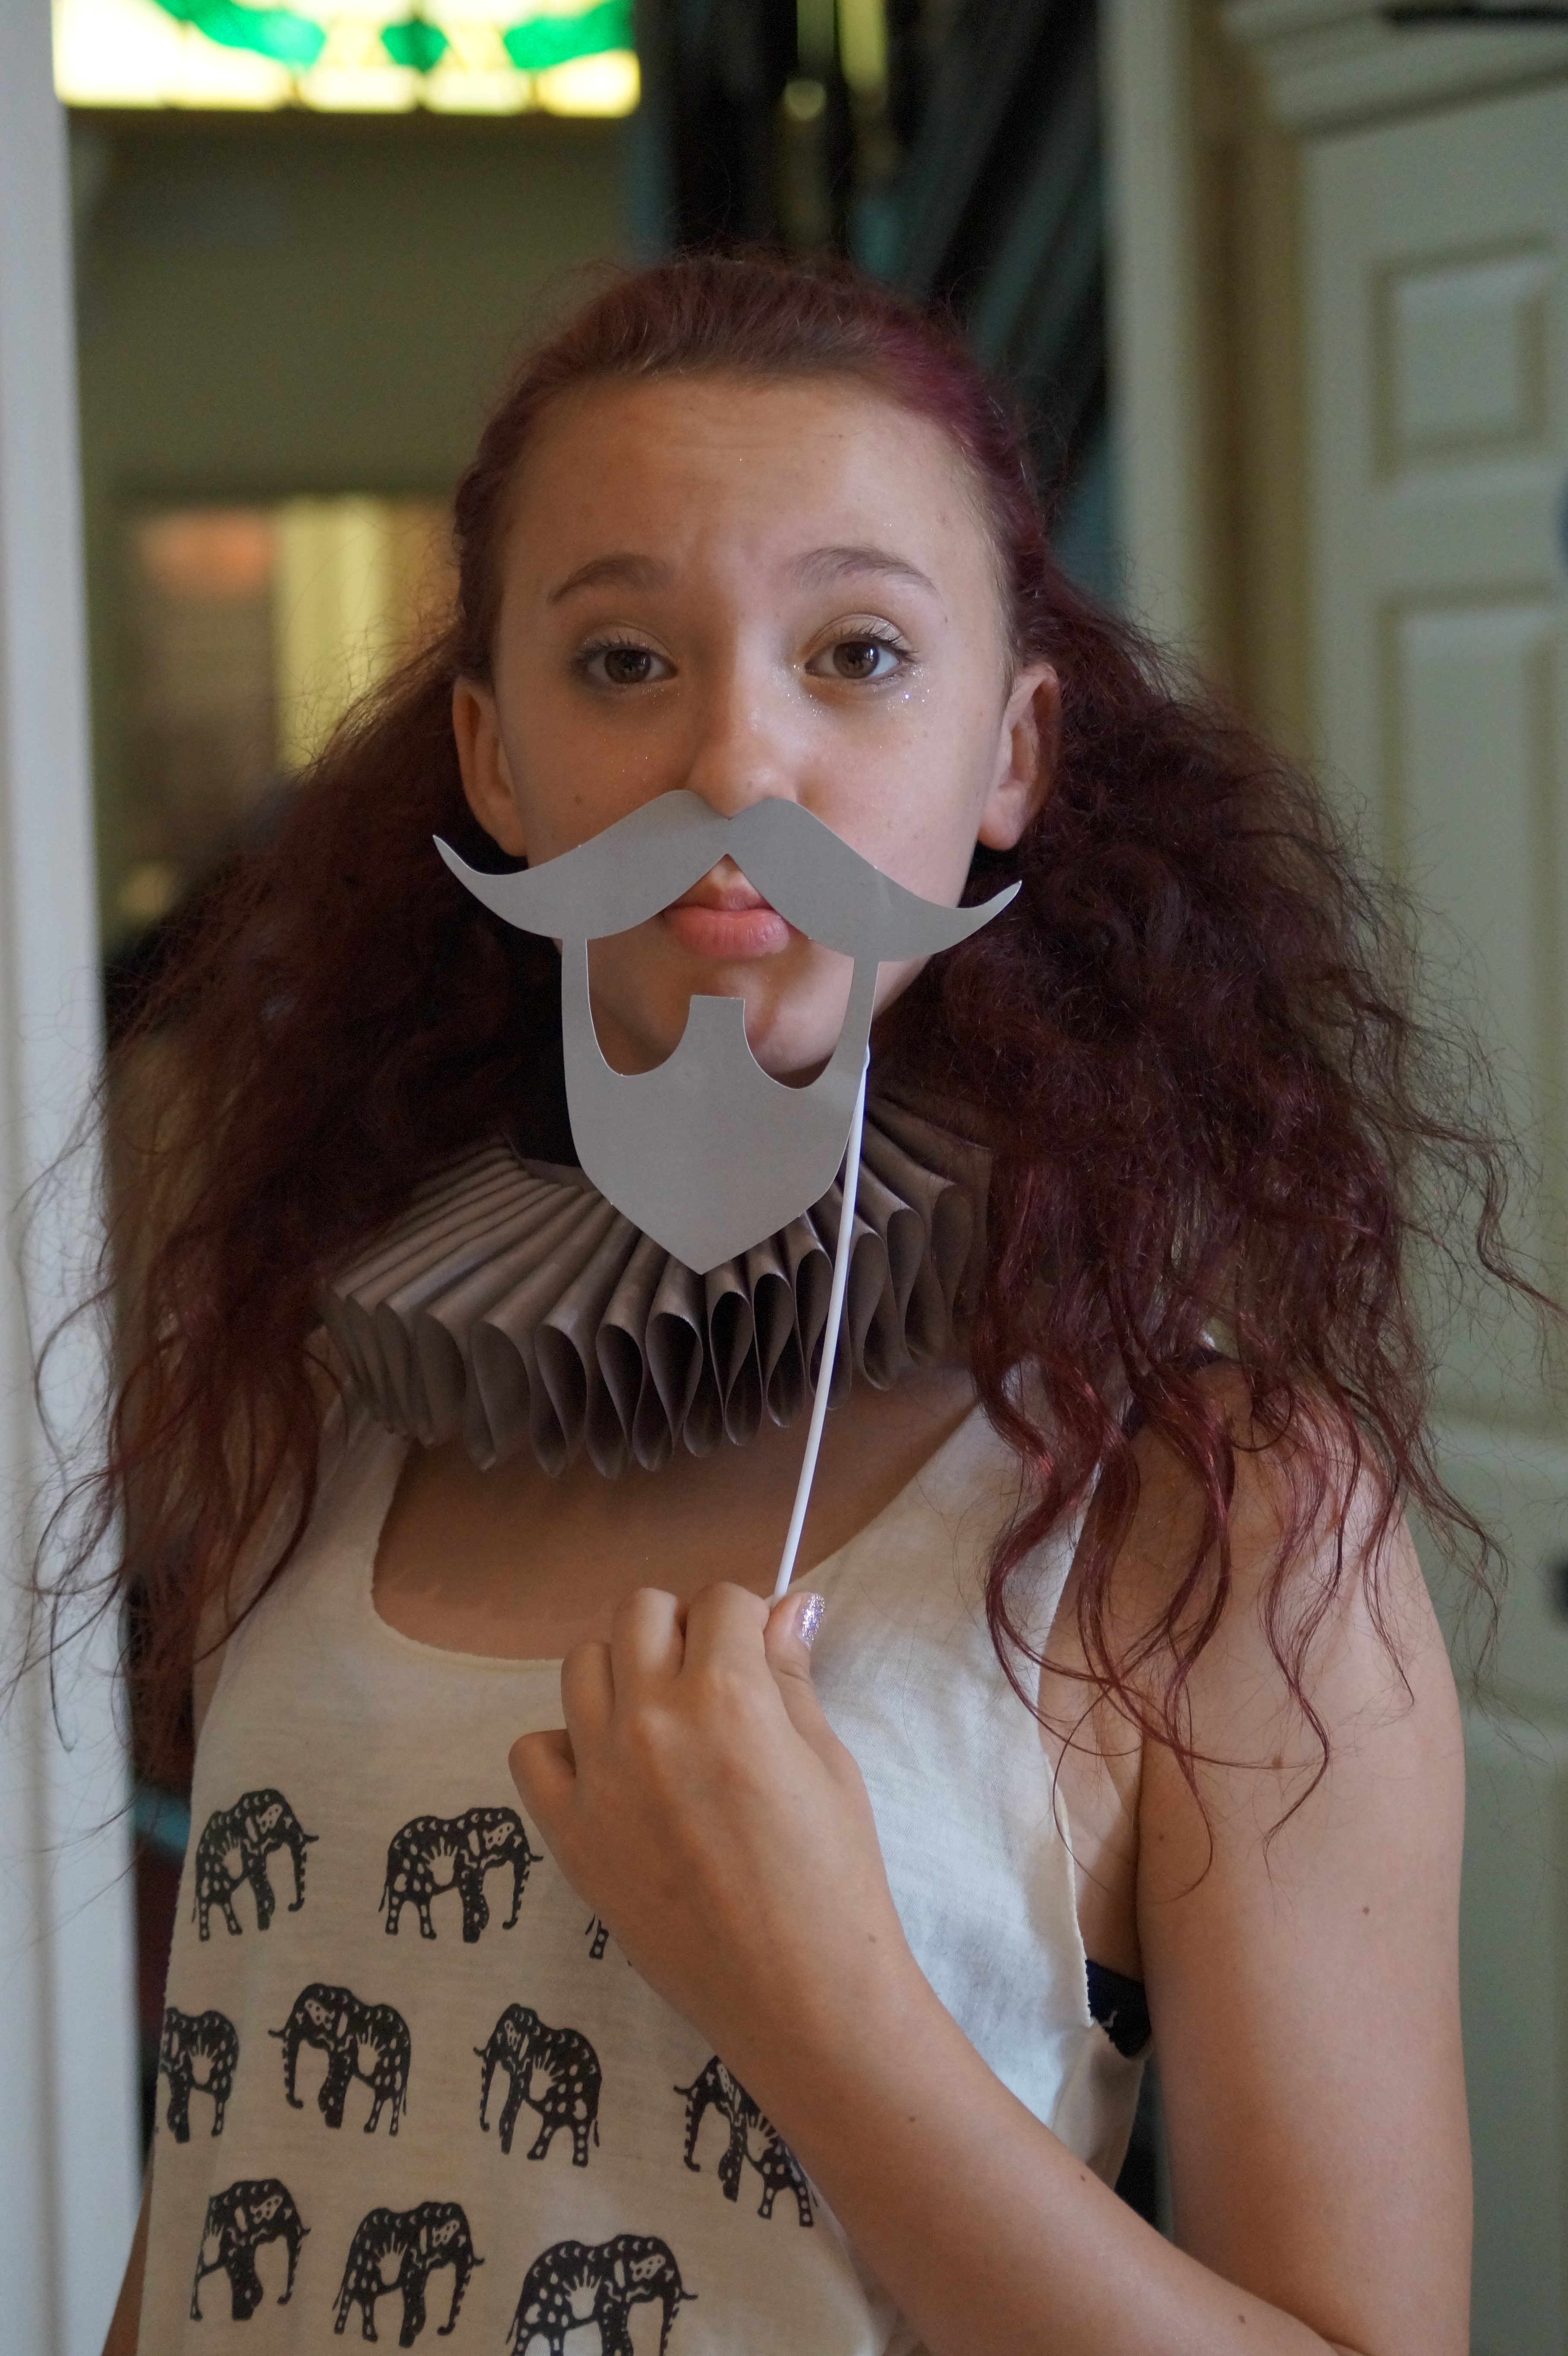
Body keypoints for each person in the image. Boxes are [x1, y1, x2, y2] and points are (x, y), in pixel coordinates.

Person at [82, 250, 1508, 2355]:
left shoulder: (1206, 1519)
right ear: (492, 755)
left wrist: (819, 2004)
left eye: (856, 653)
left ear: (1011, 751)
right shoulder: (326, 1409)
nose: (735, 757)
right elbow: (234, 2191)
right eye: (621, 658)